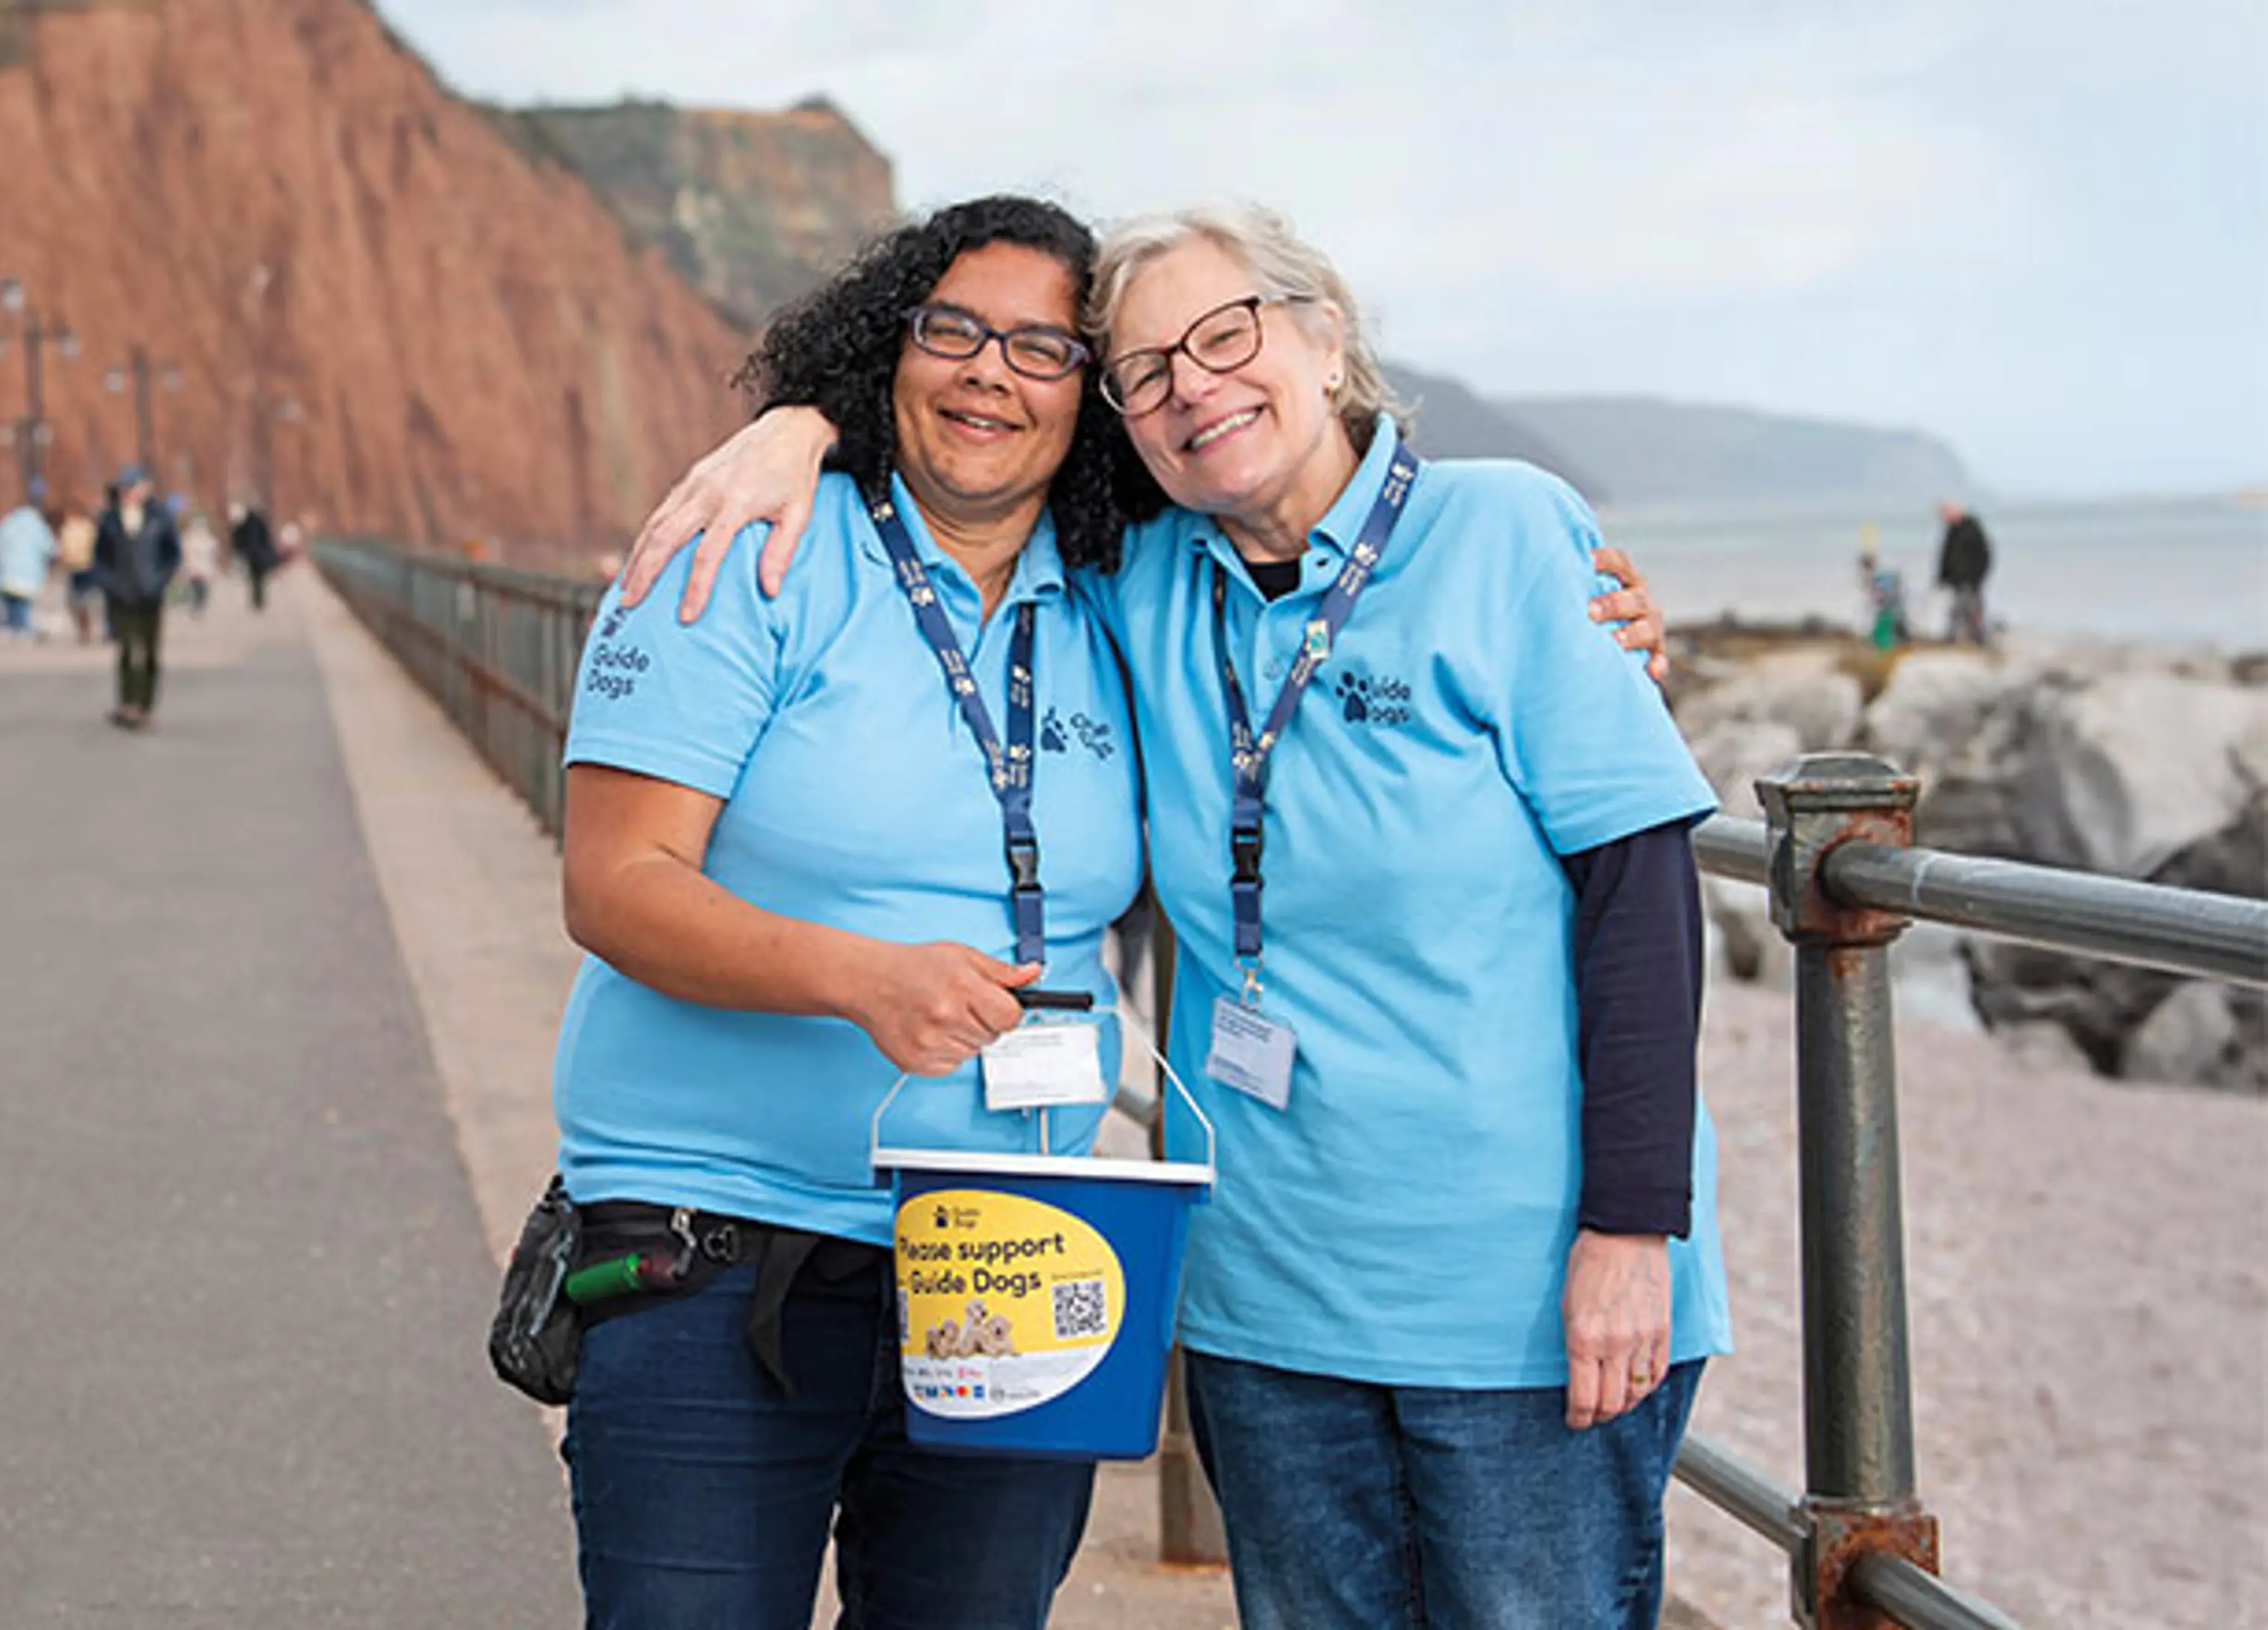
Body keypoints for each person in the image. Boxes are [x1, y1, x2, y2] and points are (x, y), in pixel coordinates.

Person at [622, 201, 1713, 1630]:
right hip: (1267, 1297)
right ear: (1120, 422)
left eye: (1228, 335)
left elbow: (1643, 899)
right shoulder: (1142, 577)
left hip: (1517, 1292)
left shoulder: (1506, 531)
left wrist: (1636, 1229)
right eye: (1142, 370)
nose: (1193, 384)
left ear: (1327, 341)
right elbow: (969, 445)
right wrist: (793, 431)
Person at [549, 195, 1150, 1630]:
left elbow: (1316, 550)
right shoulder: (747, 548)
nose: (989, 373)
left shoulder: (1126, 595)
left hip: (1017, 1257)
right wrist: (859, 980)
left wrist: (1584, 598)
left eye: (1044, 348)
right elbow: (614, 885)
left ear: (1098, 397)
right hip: (718, 1246)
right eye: (953, 330)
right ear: (890, 347)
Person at [92, 466, 183, 729]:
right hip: (121, 594)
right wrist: (109, 583)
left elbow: (172, 555)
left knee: (150, 652)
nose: (128, 493)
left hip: (150, 593)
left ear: (145, 489)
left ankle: (145, 704)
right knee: (128, 649)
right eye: (124, 488)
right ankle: (127, 702)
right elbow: (100, 558)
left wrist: (159, 580)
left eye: (132, 488)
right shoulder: (110, 520)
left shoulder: (159, 518)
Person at [0, 489, 60, 643]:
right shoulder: (37, 525)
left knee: (12, 605)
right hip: (29, 574)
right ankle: (23, 629)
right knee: (23, 605)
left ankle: (15, 628)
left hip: (6, 574)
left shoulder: (8, 522)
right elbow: (50, 548)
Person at [1935, 499, 1993, 646]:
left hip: (1971, 578)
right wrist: (1942, 576)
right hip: (1957, 579)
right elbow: (1946, 555)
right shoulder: (1952, 530)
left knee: (1969, 609)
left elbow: (1985, 555)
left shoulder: (1972, 529)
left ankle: (1975, 639)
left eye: (1946, 514)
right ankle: (1957, 638)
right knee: (1961, 609)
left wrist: (1978, 576)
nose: (1944, 518)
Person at [57, 499, 103, 646]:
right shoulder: (67, 528)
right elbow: (64, 548)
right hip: (74, 568)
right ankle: (83, 628)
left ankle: (87, 628)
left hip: (86, 567)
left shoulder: (88, 528)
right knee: (75, 602)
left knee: (85, 600)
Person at [229, 501, 280, 610]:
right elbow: (267, 538)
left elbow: (236, 537)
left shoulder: (244, 523)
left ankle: (255, 599)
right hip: (260, 554)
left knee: (253, 578)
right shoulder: (261, 523)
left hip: (250, 554)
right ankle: (259, 599)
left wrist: (240, 549)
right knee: (260, 578)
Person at [179, 500, 220, 619]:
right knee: (196, 589)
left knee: (202, 590)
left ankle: (199, 607)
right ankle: (196, 607)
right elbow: (185, 552)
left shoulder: (207, 537)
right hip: (194, 568)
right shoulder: (188, 537)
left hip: (203, 568)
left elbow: (213, 550)